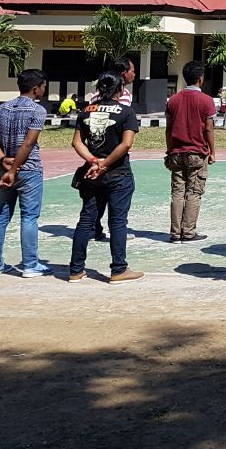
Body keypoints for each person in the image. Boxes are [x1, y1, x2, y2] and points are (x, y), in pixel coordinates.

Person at [68, 70, 142, 283]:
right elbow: (126, 144)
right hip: (118, 172)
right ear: (120, 89)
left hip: (92, 173)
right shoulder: (126, 112)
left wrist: (94, 161)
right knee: (118, 221)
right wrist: (105, 164)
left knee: (86, 220)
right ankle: (118, 269)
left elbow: (77, 142)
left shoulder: (86, 111)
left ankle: (76, 269)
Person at [0, 69, 50, 278]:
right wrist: (13, 169)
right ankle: (30, 265)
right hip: (28, 170)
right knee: (29, 217)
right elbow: (29, 143)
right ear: (35, 88)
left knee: (1, 216)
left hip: (3, 170)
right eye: (43, 86)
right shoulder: (37, 111)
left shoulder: (1, 109)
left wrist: (3, 160)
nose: (44, 89)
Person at [164, 60, 216, 243]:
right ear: (201, 79)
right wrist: (213, 151)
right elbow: (208, 129)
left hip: (177, 152)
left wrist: (169, 150)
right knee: (193, 192)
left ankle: (175, 233)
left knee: (177, 192)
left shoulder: (173, 100)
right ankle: (188, 232)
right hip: (197, 151)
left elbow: (168, 129)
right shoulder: (207, 100)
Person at [87, 56, 135, 243]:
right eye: (132, 70)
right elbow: (119, 123)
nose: (134, 74)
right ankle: (117, 231)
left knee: (95, 196)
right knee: (118, 195)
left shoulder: (95, 96)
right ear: (123, 74)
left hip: (94, 151)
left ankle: (94, 228)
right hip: (113, 153)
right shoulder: (123, 97)